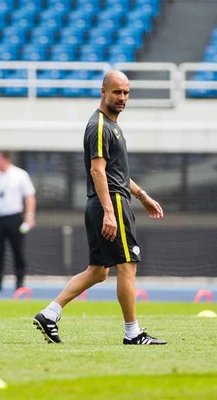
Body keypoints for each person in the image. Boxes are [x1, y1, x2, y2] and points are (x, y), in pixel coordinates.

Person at [32, 71, 167, 346]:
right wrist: (109, 211)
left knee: (98, 271)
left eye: (126, 92)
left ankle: (50, 313)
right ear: (103, 91)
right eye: (117, 92)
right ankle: (133, 333)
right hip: (111, 203)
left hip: (105, 201)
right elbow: (98, 170)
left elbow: (114, 172)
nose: (122, 98)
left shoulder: (111, 126)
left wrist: (142, 195)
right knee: (127, 267)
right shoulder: (101, 126)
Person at [0, 151, 36, 290]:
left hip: (14, 217)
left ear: (6, 159)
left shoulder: (20, 175)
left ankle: (20, 281)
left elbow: (29, 196)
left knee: (18, 250)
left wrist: (29, 216)